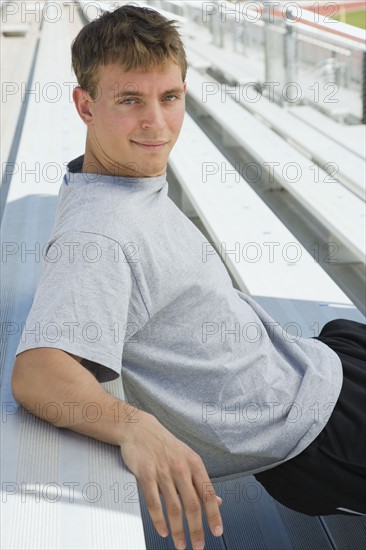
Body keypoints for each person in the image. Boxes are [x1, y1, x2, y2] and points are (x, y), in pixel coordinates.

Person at [11, 4, 365, 550]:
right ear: (84, 105)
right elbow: (37, 372)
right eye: (130, 100)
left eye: (169, 97)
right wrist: (134, 426)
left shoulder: (123, 180)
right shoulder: (97, 239)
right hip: (318, 436)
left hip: (320, 360)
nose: (156, 121)